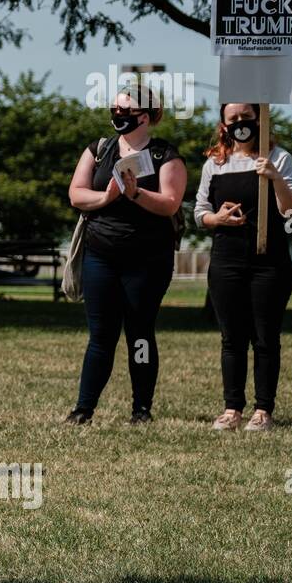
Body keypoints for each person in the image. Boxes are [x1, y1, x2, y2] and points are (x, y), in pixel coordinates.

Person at [66, 84, 186, 424]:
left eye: (126, 112)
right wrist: (106, 198)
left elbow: (170, 203)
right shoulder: (100, 149)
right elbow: (76, 194)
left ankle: (141, 409)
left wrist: (135, 194)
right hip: (100, 256)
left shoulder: (165, 155)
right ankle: (83, 409)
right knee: (100, 336)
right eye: (114, 110)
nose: (118, 116)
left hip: (147, 261)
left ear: (144, 117)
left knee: (140, 333)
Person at [194, 104, 292, 431]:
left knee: (265, 337)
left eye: (247, 118)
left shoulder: (279, 158)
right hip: (226, 261)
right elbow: (200, 212)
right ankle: (232, 409)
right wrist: (218, 218)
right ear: (223, 125)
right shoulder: (215, 163)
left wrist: (274, 177)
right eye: (234, 120)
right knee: (232, 338)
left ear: (261, 119)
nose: (241, 124)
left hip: (269, 263)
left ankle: (263, 411)